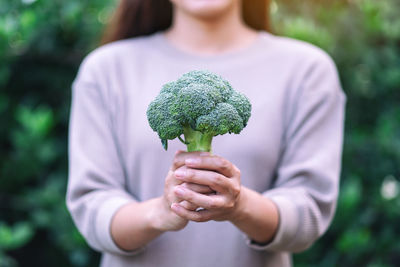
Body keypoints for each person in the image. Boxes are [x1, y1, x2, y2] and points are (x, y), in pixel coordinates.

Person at [66, 0, 346, 266]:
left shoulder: (307, 70)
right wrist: (161, 212)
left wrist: (240, 205)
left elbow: (309, 210)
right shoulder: (104, 70)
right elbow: (92, 205)